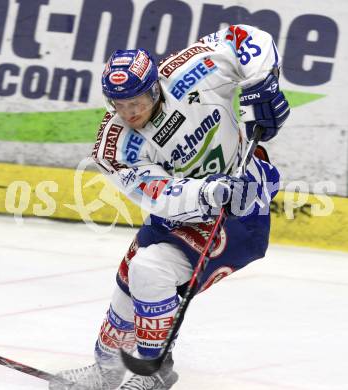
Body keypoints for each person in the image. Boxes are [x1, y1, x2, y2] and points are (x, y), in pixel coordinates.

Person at [49, 23, 290, 390]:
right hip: (185, 212)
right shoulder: (114, 146)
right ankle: (106, 371)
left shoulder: (191, 71)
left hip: (240, 214)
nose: (129, 113)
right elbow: (157, 192)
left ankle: (155, 371)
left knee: (150, 270)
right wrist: (209, 191)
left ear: (154, 86)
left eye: (137, 102)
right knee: (129, 279)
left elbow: (244, 37)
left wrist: (261, 83)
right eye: (120, 105)